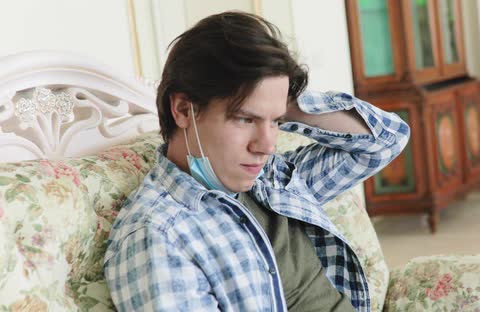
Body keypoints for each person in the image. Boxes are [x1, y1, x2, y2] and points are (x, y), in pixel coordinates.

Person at [103, 11, 409, 312]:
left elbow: (386, 140)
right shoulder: (159, 236)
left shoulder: (272, 176)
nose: (267, 146)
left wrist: (280, 100)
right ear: (183, 110)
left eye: (276, 121)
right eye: (244, 118)